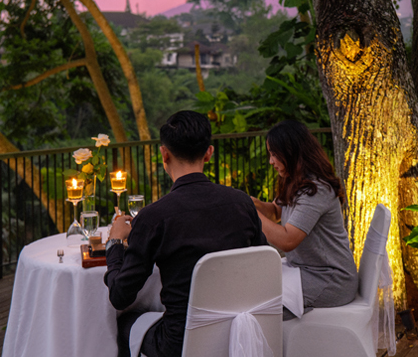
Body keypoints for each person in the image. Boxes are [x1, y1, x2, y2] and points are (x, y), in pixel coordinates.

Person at [104, 110, 267, 357]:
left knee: (125, 321)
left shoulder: (154, 217)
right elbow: (262, 262)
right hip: (236, 333)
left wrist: (115, 242)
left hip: (179, 343)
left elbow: (119, 296)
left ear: (164, 154)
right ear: (209, 153)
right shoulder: (241, 203)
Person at [251, 120, 358, 320]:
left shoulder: (316, 189)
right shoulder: (295, 181)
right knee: (253, 288)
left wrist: (252, 214)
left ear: (291, 153)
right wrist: (252, 203)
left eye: (274, 154)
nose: (271, 161)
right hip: (305, 271)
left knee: (260, 307)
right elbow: (275, 211)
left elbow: (288, 240)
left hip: (331, 280)